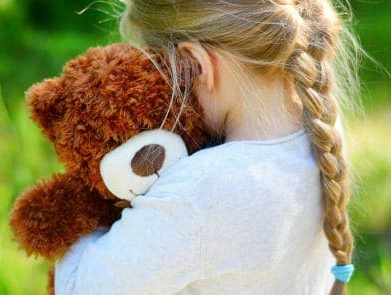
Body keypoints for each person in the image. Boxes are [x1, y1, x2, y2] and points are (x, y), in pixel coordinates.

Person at [55, 0, 360, 294]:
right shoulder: (322, 126)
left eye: (157, 70)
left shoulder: (198, 189)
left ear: (196, 66)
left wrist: (84, 202)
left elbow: (78, 287)